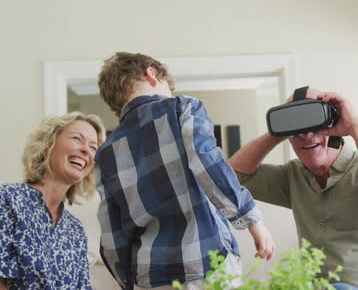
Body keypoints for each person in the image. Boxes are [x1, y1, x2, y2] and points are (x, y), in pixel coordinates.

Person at [95, 52, 276, 290]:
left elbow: (111, 229)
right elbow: (208, 164)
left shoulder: (105, 153)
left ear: (117, 111)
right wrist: (252, 219)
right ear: (151, 74)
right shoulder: (182, 108)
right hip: (204, 264)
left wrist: (126, 282)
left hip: (150, 276)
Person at [229, 88, 358, 290]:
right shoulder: (293, 176)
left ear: (334, 124)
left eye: (315, 125)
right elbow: (232, 176)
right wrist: (279, 128)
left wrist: (355, 127)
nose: (306, 136)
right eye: (296, 129)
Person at [0, 112, 106, 289]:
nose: (86, 150)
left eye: (93, 147)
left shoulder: (75, 231)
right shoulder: (7, 200)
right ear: (47, 146)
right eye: (77, 139)